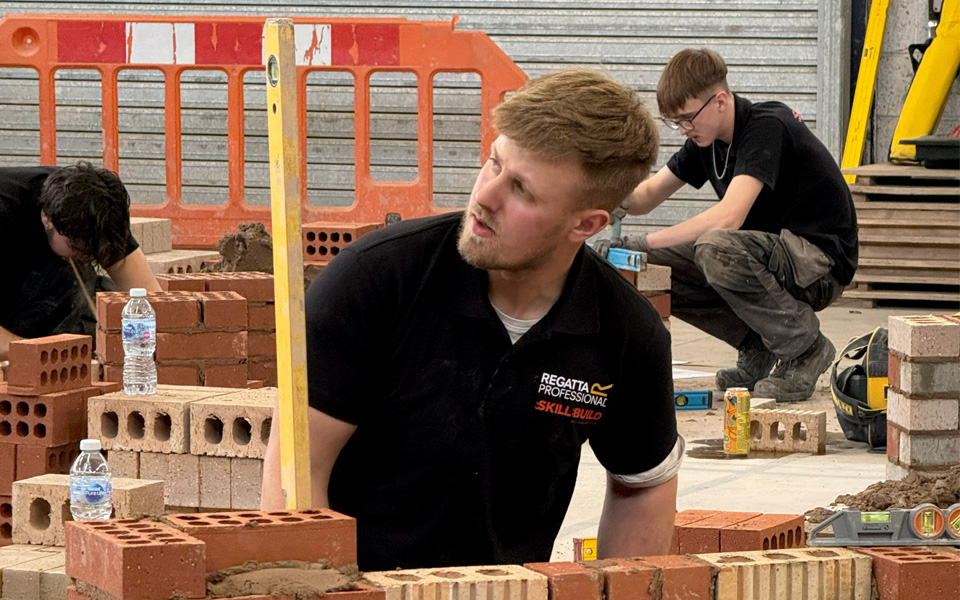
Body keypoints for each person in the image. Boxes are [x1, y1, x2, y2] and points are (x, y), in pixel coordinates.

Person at [262, 70, 681, 570]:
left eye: (522, 189)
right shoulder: (376, 279)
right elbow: (297, 469)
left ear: (586, 224)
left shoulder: (624, 333)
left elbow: (643, 486)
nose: (485, 195)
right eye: (494, 161)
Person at [598, 48, 857, 403]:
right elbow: (645, 197)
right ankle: (756, 343)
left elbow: (728, 217)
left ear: (720, 100)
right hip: (771, 255)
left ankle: (805, 348)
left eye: (688, 119)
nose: (683, 130)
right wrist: (594, 196)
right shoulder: (705, 140)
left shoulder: (767, 126)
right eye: (675, 122)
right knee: (650, 262)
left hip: (819, 263)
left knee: (714, 247)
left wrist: (649, 241)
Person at [0, 162, 161, 360]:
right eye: (80, 247)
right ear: (47, 218)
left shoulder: (97, 210)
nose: (88, 255)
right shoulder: (8, 211)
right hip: (9, 278)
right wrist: (35, 353)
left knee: (96, 298)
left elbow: (148, 296)